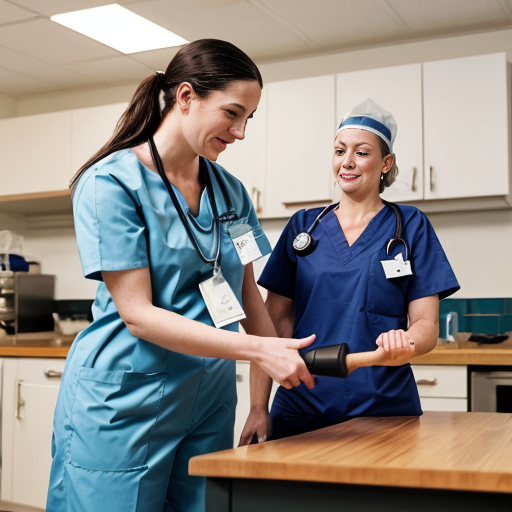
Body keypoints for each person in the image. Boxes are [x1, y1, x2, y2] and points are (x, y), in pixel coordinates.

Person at [46, 39, 316, 512]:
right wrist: (260, 349)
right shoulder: (111, 183)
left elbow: (247, 294)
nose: (241, 132)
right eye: (232, 113)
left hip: (208, 398)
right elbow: (138, 315)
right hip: (126, 395)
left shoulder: (230, 191)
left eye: (248, 118)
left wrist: (260, 401)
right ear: (186, 96)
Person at [240, 98, 460, 443]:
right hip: (301, 403)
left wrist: (406, 341)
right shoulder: (304, 227)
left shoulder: (411, 226)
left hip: (382, 407)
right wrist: (257, 407)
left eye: (362, 152)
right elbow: (271, 329)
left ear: (386, 163)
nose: (347, 162)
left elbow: (427, 326)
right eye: (340, 150)